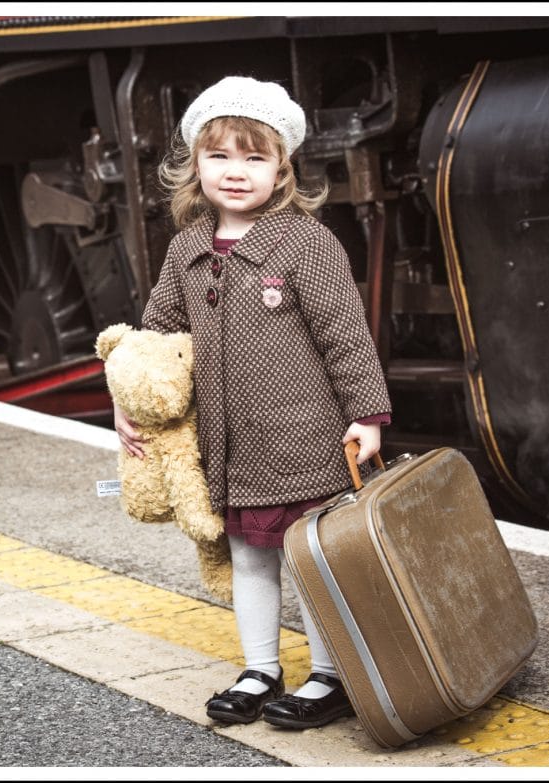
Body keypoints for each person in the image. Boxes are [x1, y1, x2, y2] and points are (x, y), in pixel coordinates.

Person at [114, 76, 391, 729]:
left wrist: (367, 415)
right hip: (231, 455)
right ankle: (261, 667)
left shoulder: (306, 245)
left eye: (254, 157)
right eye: (220, 156)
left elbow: (347, 337)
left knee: (312, 560)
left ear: (282, 168)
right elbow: (156, 340)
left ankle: (330, 676)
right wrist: (127, 403)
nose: (235, 172)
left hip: (309, 446)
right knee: (249, 559)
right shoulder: (186, 250)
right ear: (195, 165)